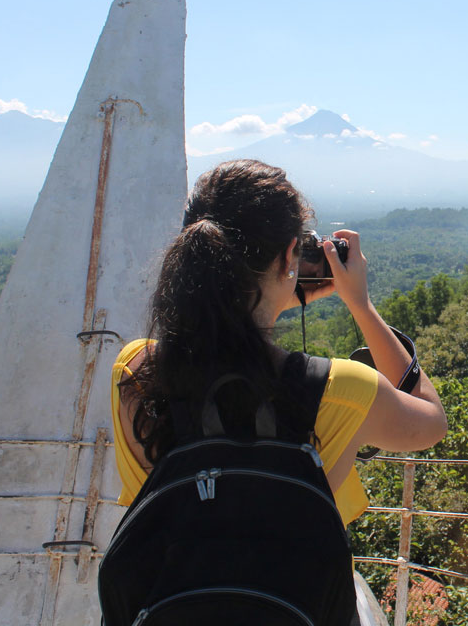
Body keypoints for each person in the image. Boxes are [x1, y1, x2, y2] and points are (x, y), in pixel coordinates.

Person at [109, 158, 447, 526]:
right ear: (289, 255)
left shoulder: (135, 369)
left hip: (171, 581)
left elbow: (226, 335)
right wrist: (361, 305)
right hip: (281, 584)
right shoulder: (340, 392)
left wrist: (275, 291)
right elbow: (431, 423)